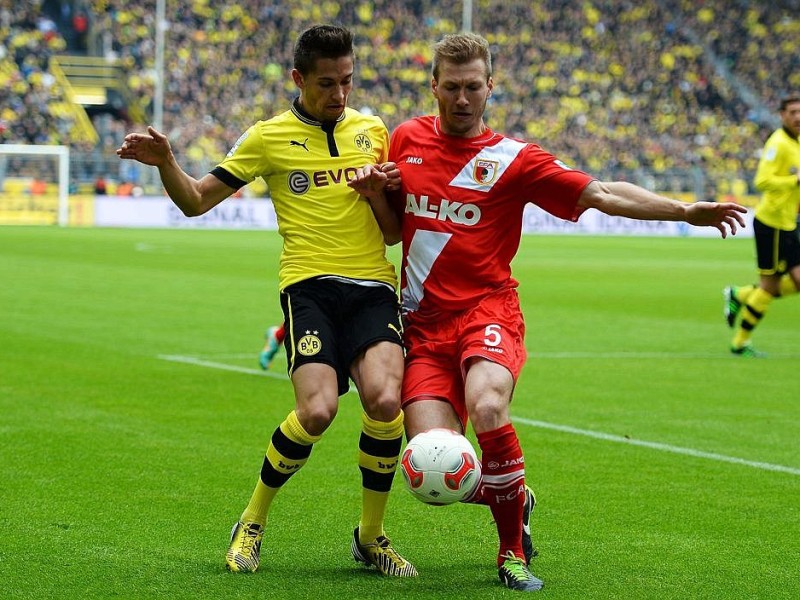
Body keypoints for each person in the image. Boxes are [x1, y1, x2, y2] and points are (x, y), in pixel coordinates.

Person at [379, 32, 747, 592]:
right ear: (433, 85)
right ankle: (513, 492)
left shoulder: (515, 160)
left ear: (490, 87)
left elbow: (600, 192)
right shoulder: (403, 139)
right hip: (423, 327)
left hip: (487, 312)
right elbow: (384, 217)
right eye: (450, 87)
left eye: (472, 87)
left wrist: (684, 210)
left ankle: (510, 555)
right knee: (431, 464)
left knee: (487, 406)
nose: (460, 98)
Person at [116, 24, 416, 578]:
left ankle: (370, 535)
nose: (340, 95)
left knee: (384, 402)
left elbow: (395, 232)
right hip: (309, 289)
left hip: (372, 286)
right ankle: (251, 520)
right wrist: (166, 164)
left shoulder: (374, 130)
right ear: (299, 79)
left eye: (347, 82)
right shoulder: (267, 137)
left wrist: (377, 195)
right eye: (327, 83)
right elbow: (197, 202)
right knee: (318, 410)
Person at [723, 93, 800, 357]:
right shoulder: (777, 144)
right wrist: (794, 181)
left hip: (788, 224)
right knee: (768, 287)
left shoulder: (797, 143)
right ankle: (740, 342)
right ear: (782, 115)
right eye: (792, 112)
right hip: (772, 224)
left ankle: (740, 294)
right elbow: (762, 181)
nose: (798, 117)